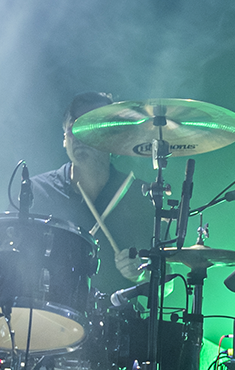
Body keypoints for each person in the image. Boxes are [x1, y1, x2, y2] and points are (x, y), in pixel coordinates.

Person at [29, 91, 156, 297]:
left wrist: (142, 275)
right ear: (64, 139)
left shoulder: (141, 196)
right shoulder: (37, 192)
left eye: (90, 127)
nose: (79, 136)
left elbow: (168, 286)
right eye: (73, 129)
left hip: (118, 315)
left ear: (113, 138)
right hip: (48, 313)